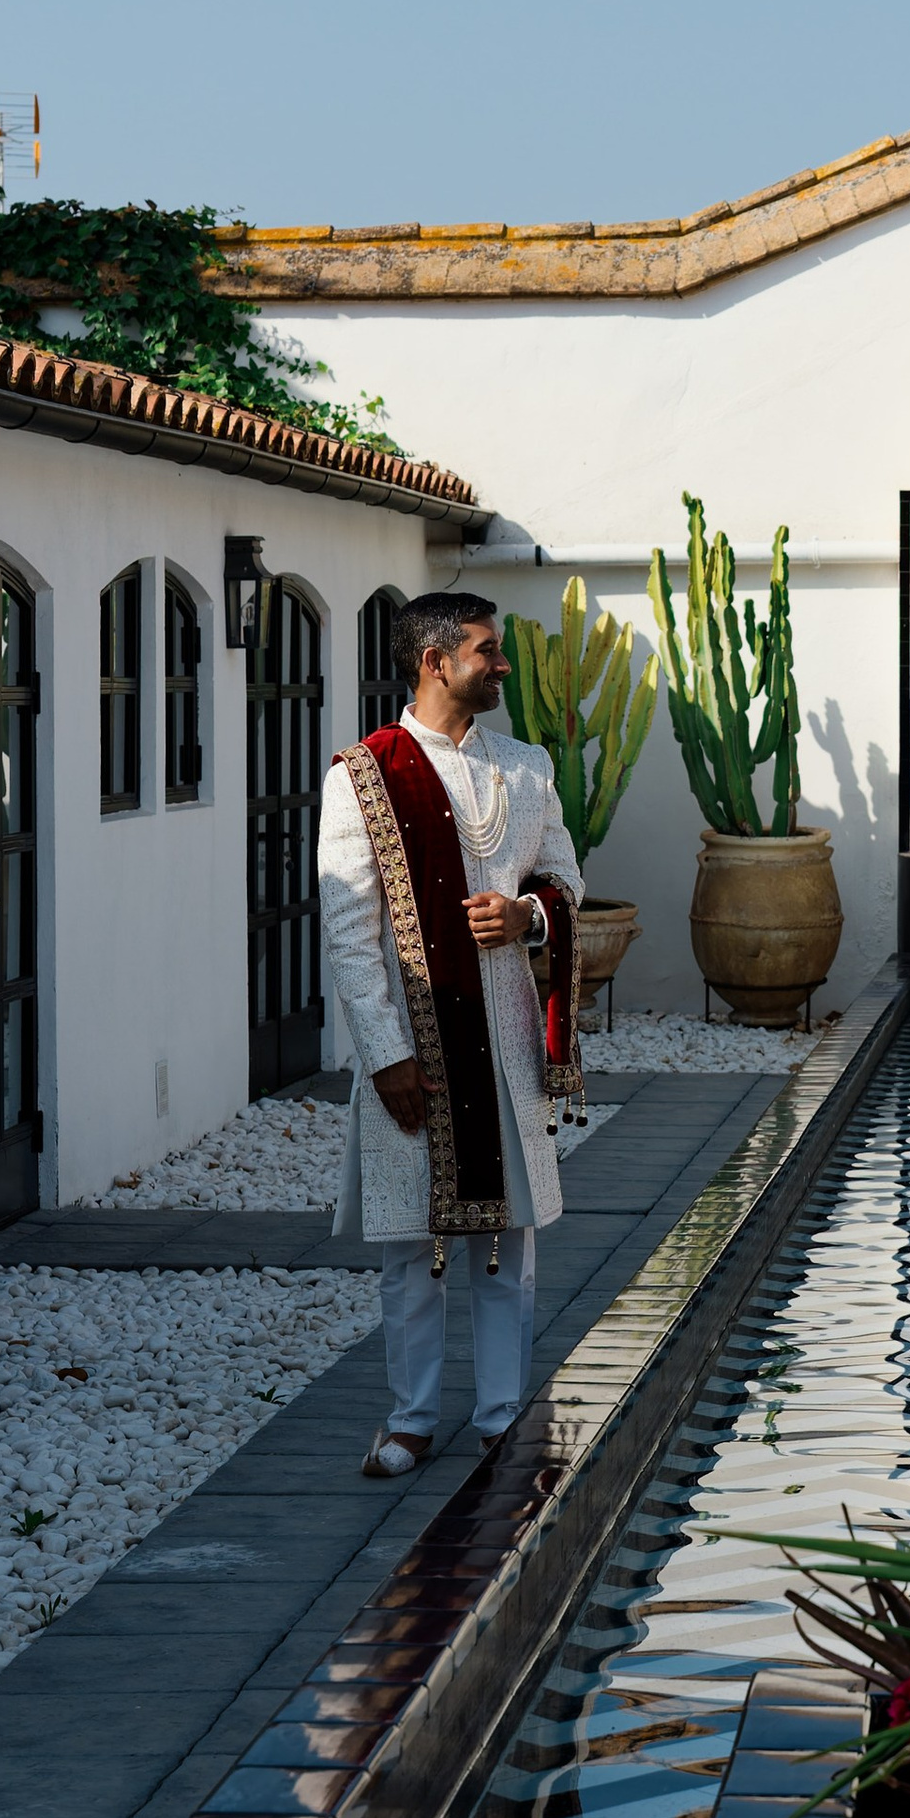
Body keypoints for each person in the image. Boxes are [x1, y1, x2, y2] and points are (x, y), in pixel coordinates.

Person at [318, 590, 584, 1480]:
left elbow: (567, 887)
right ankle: (411, 1418)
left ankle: (505, 1414)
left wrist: (525, 918)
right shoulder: (364, 774)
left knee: (509, 1242)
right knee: (409, 1249)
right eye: (485, 650)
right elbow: (350, 930)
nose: (501, 663)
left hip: (504, 1041)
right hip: (415, 1045)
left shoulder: (526, 766)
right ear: (434, 661)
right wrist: (387, 1054)